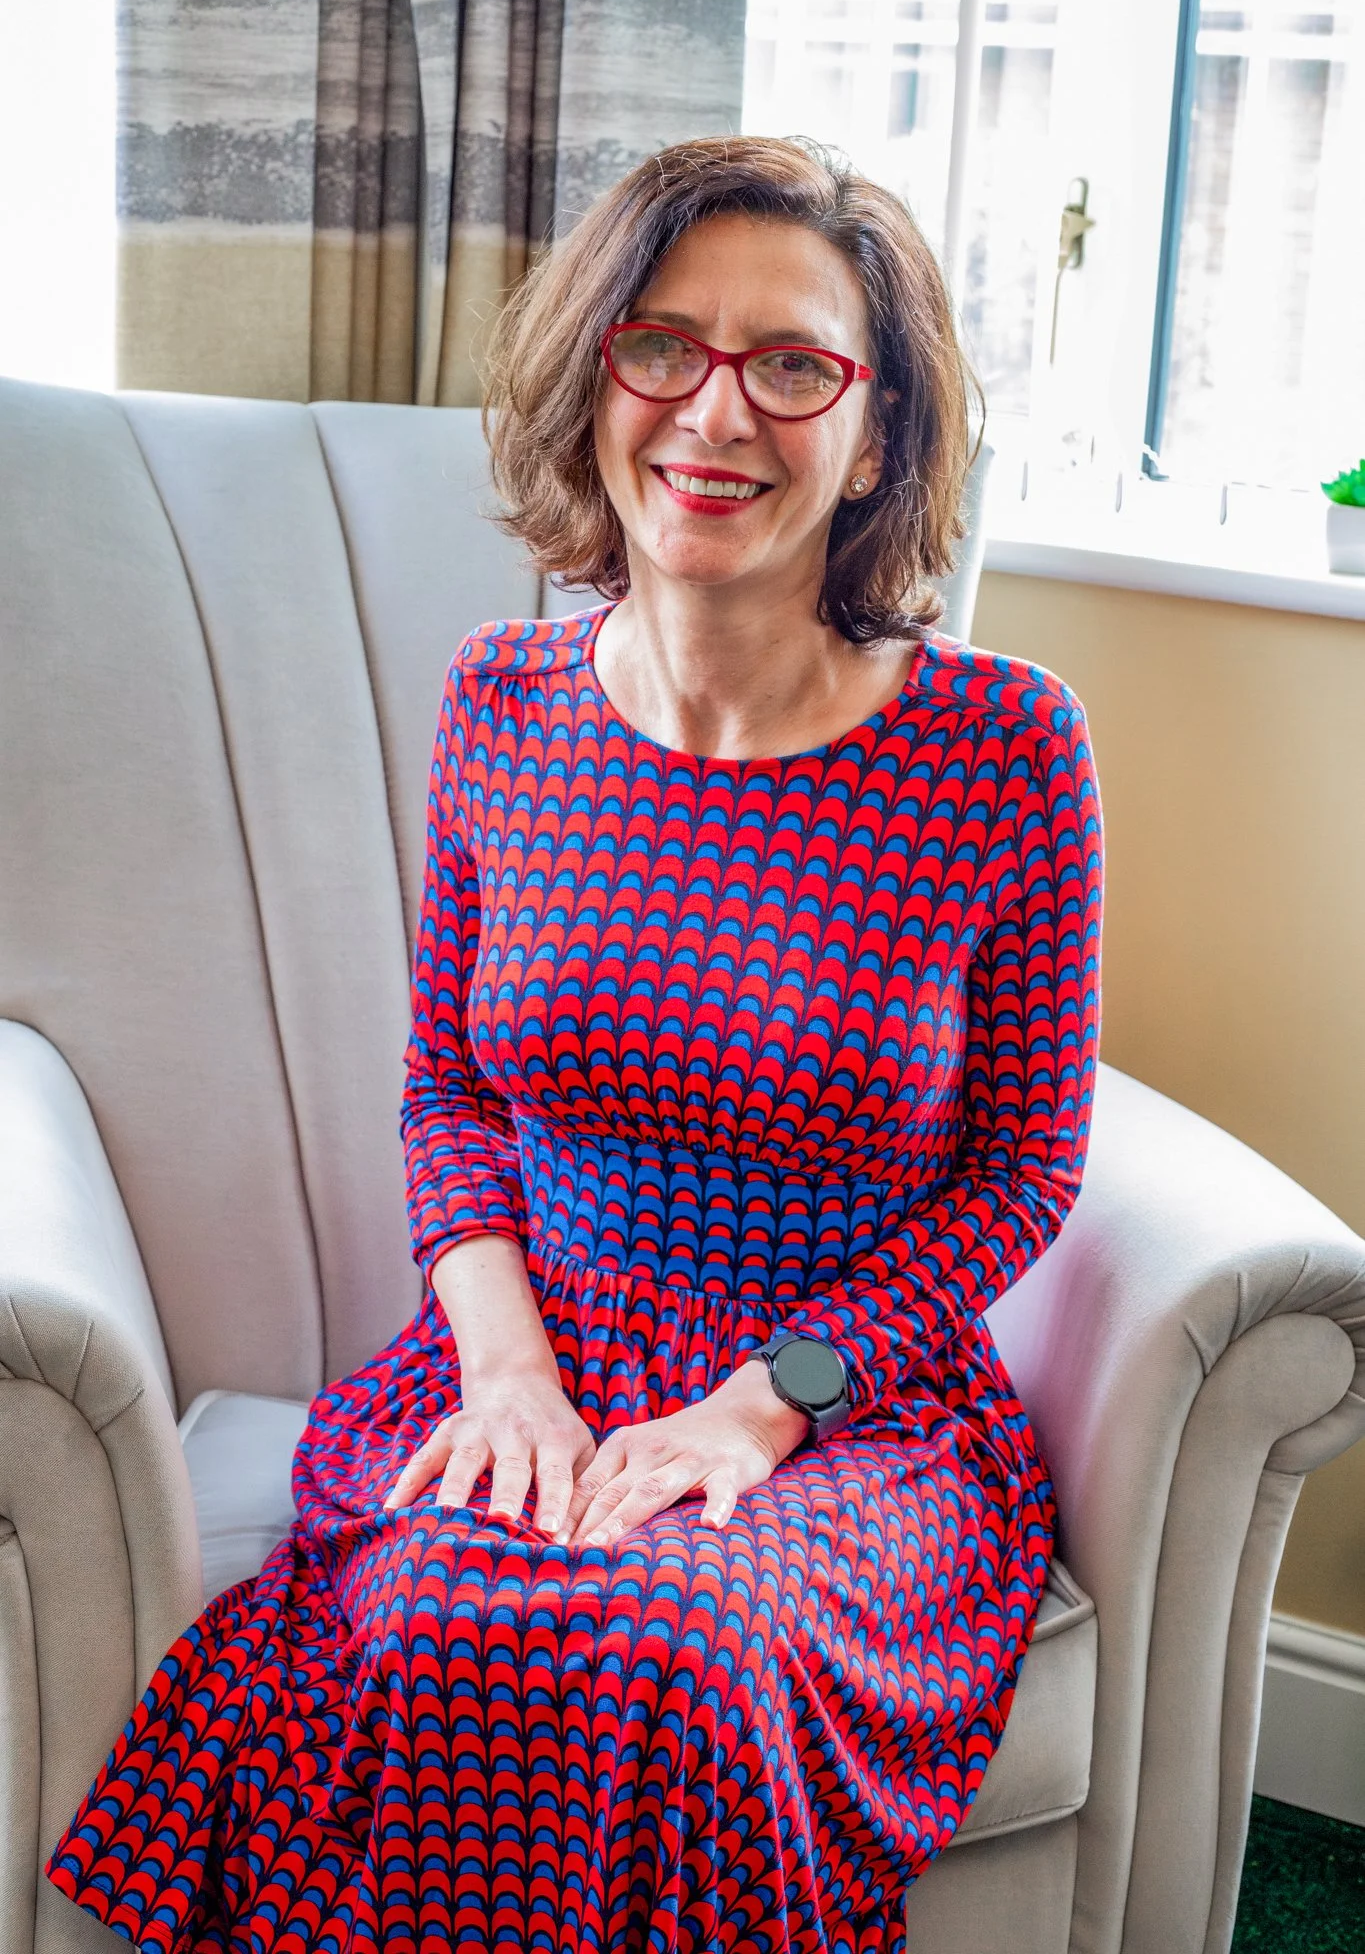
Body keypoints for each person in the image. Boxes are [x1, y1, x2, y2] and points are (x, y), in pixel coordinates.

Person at [47, 135, 1102, 1954]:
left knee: (680, 1661)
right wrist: (507, 1375)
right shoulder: (500, 700)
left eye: (794, 365)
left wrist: (772, 1403)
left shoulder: (1006, 744)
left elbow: (1025, 1174)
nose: (717, 412)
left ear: (880, 435)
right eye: (663, 345)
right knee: (451, 1632)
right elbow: (451, 1087)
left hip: (852, 1413)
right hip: (528, 1354)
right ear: (596, 375)